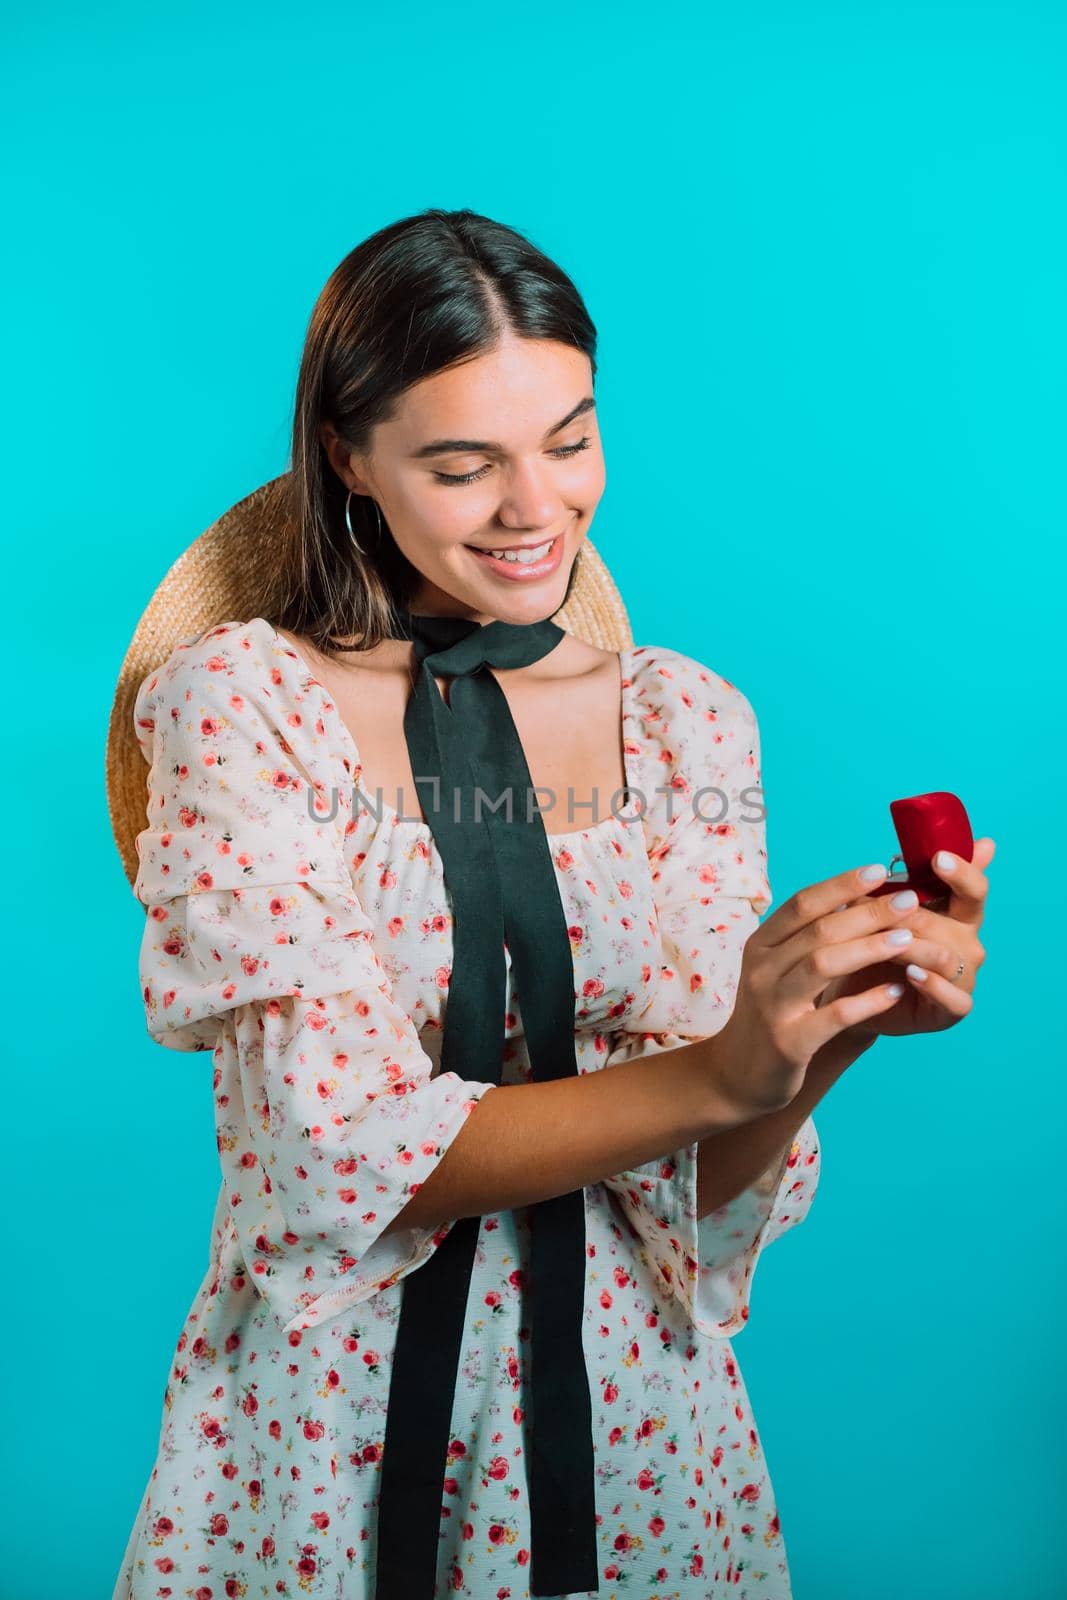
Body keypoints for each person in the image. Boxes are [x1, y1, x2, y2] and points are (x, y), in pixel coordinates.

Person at [111, 208, 992, 1600]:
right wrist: (719, 1067)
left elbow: (690, 1194)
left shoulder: (687, 723)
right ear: (347, 454)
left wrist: (833, 1024)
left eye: (570, 441)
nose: (538, 510)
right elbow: (339, 1153)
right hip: (323, 1433)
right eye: (464, 466)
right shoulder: (242, 706)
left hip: (634, 1433)